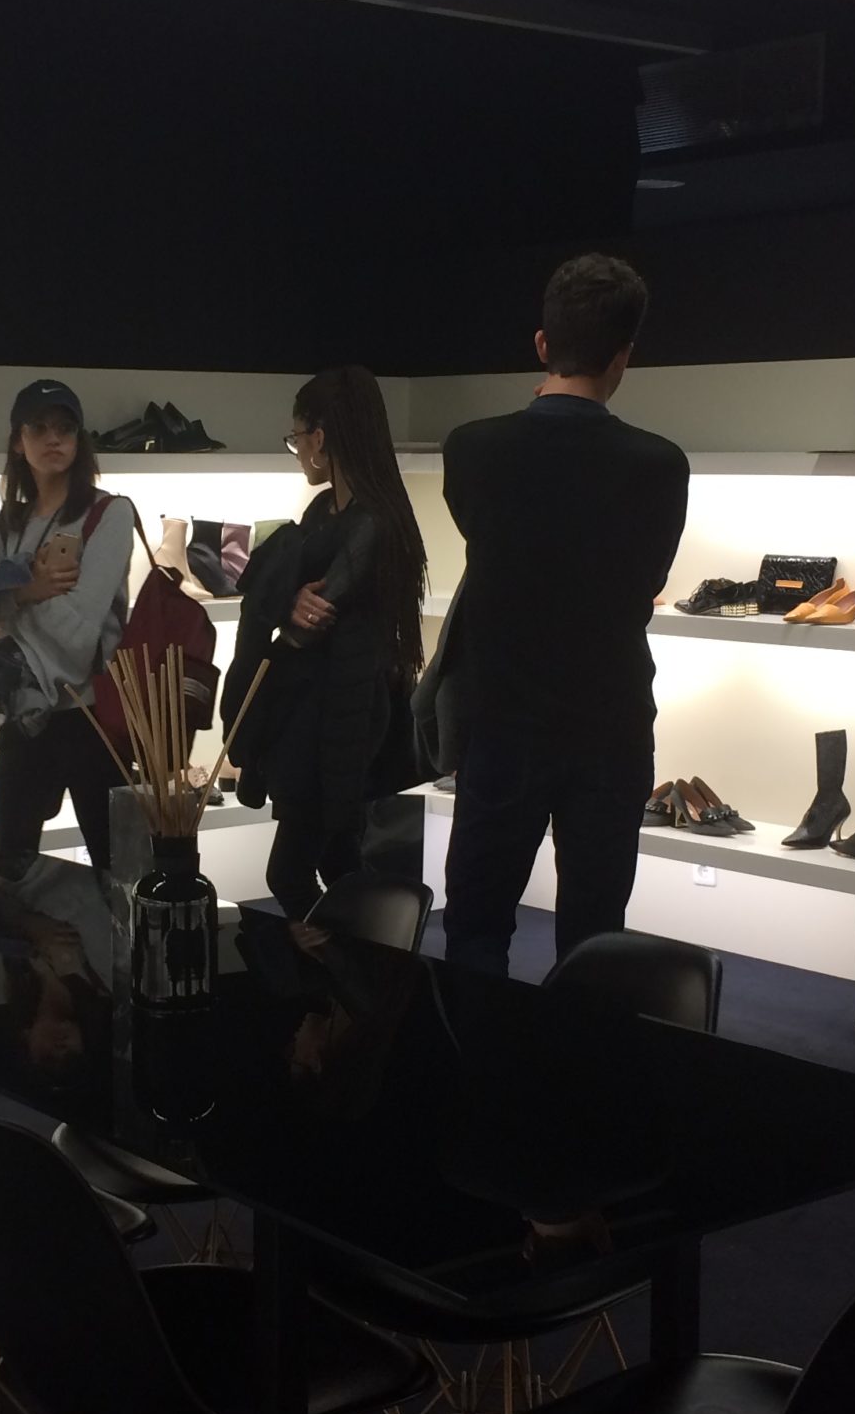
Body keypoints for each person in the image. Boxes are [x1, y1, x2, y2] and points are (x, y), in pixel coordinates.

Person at [435, 255, 689, 976]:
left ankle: (476, 1049)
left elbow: (484, 538)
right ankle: (578, 1052)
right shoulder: (660, 464)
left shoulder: (473, 448)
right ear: (623, 356)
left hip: (503, 720)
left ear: (543, 344)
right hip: (610, 723)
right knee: (595, 936)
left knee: (476, 926)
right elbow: (648, 582)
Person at [236, 366, 428, 918]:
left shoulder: (371, 522)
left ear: (319, 438)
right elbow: (291, 598)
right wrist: (288, 599)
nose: (298, 451)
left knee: (290, 872)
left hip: (338, 717)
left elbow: (313, 614)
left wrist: (288, 604)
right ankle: (364, 962)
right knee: (337, 861)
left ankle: (349, 959)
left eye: (297, 437)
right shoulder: (331, 512)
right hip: (323, 712)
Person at [0, 379, 134, 870]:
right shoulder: (9, 521)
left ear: (80, 439)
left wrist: (8, 599)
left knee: (118, 871)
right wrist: (29, 589)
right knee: (12, 868)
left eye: (65, 427)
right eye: (38, 428)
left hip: (93, 713)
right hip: (23, 713)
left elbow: (78, 633)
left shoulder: (109, 513)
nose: (53, 438)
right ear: (18, 442)